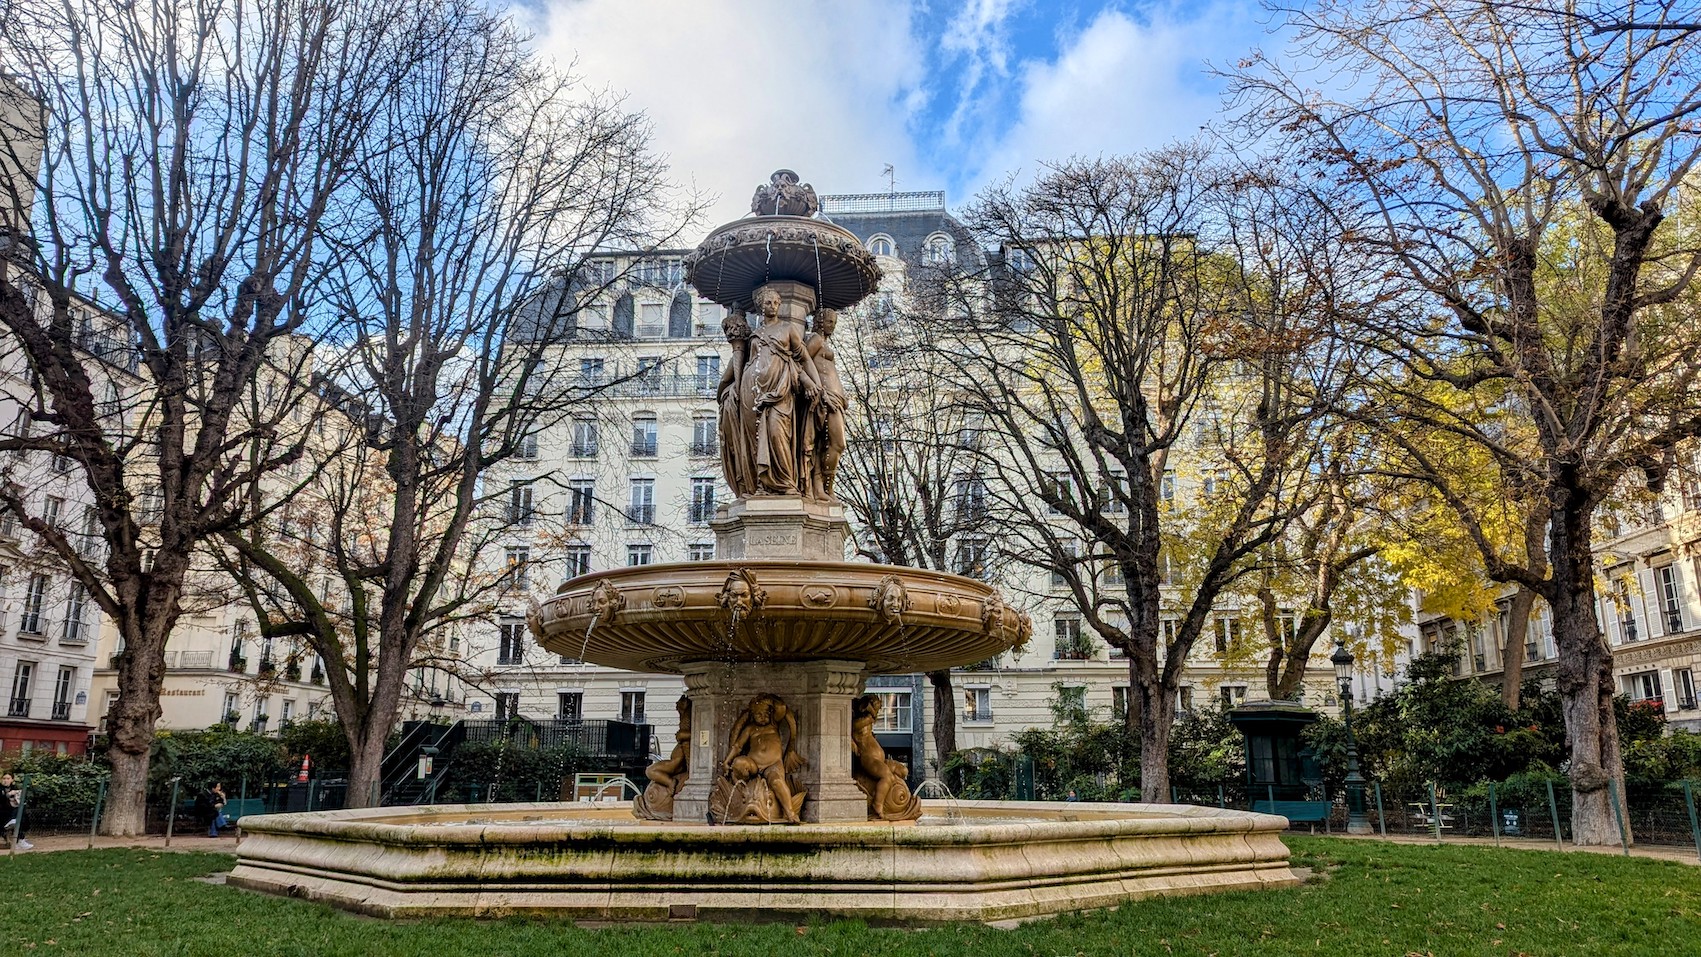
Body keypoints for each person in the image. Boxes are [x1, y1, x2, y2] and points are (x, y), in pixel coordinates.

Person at [2, 773, 30, 849]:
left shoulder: (14, 788)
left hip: (12, 812)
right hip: (3, 813)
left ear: (12, 780)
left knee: (21, 810)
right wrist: (8, 795)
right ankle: (20, 841)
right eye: (4, 778)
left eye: (8, 779)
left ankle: (20, 840)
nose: (5, 780)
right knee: (18, 816)